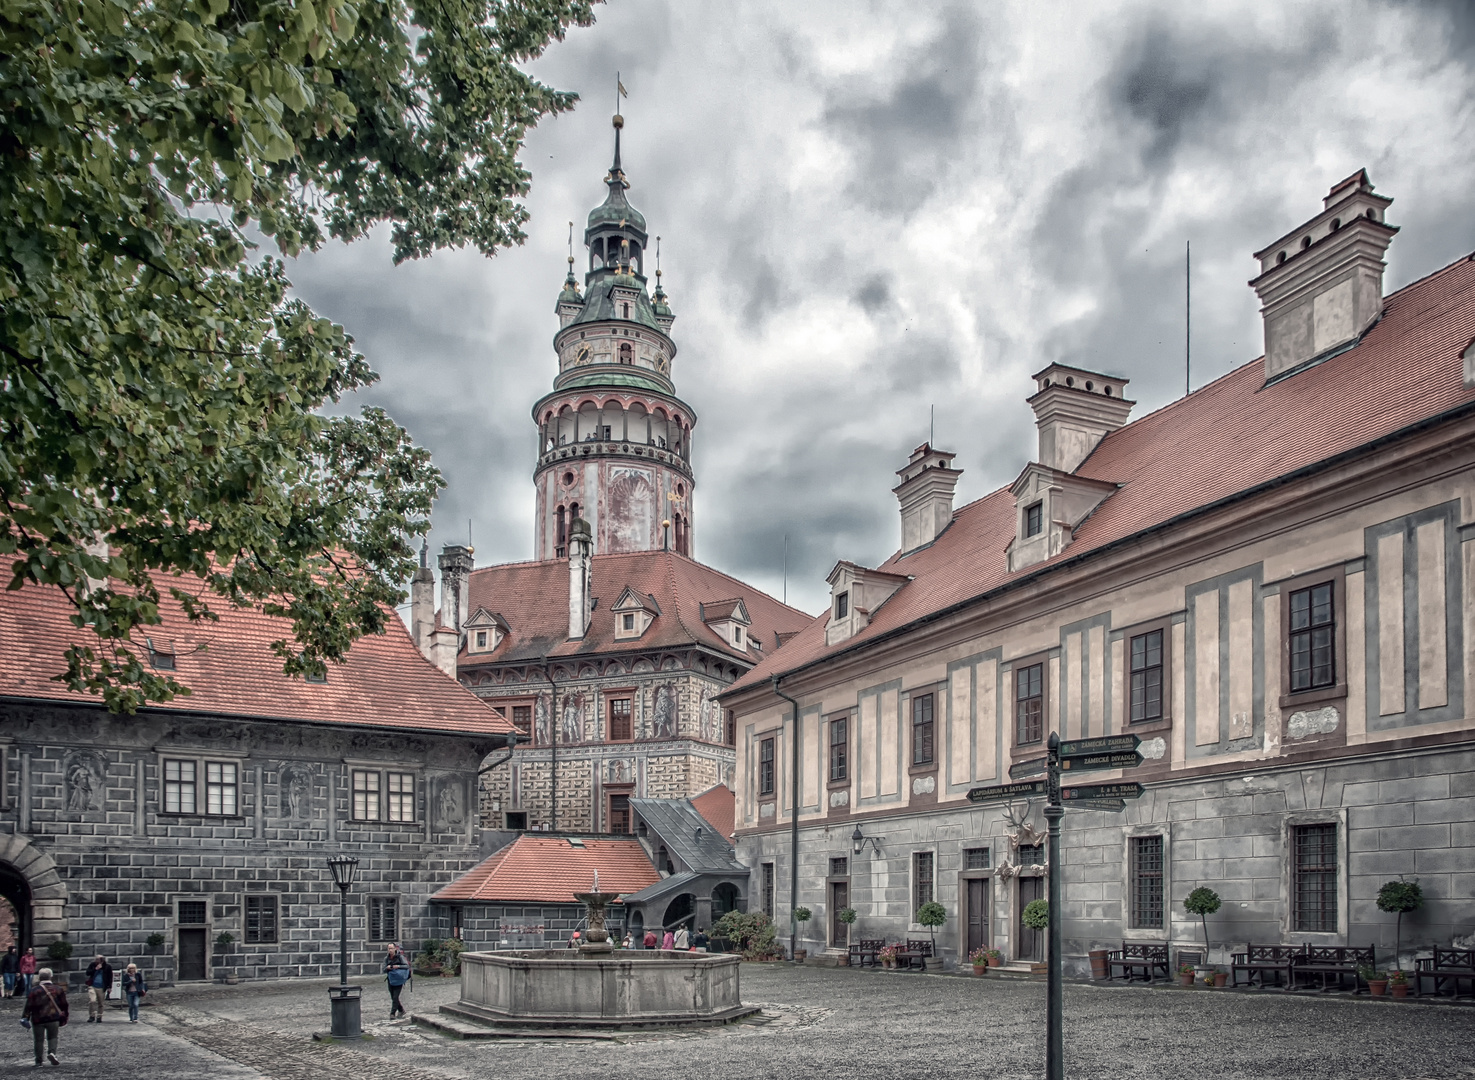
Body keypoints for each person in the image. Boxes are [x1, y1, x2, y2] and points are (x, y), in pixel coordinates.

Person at [22, 966, 68, 1067]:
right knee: (53, 1037)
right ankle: (52, 1053)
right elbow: (64, 1004)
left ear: (39, 978)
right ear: (51, 977)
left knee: (38, 1040)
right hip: (53, 1017)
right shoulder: (58, 989)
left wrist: (25, 1017)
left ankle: (38, 1061)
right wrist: (65, 1017)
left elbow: (29, 1005)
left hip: (38, 1018)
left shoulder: (34, 990)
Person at [383, 944, 410, 1019]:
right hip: (391, 979)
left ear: (395, 949)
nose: (390, 950)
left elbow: (407, 966)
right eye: (389, 948)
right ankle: (401, 1010)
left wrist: (397, 966)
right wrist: (388, 968)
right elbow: (383, 970)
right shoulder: (386, 958)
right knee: (393, 997)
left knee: (395, 997)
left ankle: (392, 1013)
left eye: (391, 948)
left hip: (399, 979)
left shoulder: (400, 957)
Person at [83, 954, 113, 1022]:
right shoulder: (92, 965)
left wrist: (109, 987)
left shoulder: (107, 967)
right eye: (96, 959)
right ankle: (92, 1015)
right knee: (92, 1000)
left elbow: (110, 977)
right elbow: (87, 973)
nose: (97, 961)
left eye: (99, 959)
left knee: (101, 1003)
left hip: (102, 987)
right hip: (92, 986)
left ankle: (99, 1016)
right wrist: (95, 969)